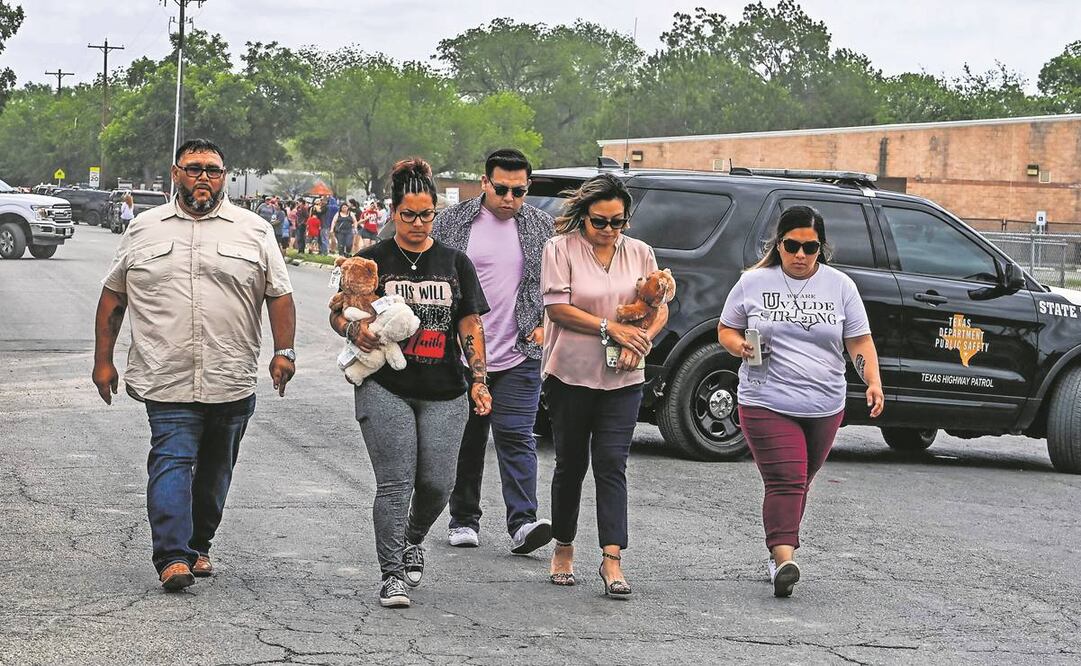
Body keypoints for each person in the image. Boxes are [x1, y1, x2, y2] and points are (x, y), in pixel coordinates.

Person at [92, 138, 296, 591]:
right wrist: (102, 361)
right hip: (165, 374)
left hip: (230, 375)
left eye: (213, 170)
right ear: (176, 173)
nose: (204, 177)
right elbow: (113, 297)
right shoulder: (143, 229)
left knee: (216, 471)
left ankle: (199, 544)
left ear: (225, 177)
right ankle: (172, 557)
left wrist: (285, 352)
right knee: (171, 459)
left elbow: (279, 295)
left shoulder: (254, 230)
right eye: (194, 168)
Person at [329, 157, 491, 609]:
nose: (418, 224)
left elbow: (470, 323)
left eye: (426, 215)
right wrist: (352, 328)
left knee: (438, 484)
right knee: (396, 484)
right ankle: (391, 575)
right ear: (393, 212)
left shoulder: (455, 262)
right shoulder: (371, 260)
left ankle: (412, 538)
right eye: (409, 215)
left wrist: (479, 378)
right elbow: (338, 311)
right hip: (385, 386)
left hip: (446, 390)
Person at [717, 205, 884, 598]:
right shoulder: (753, 282)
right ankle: (784, 560)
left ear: (821, 248)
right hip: (766, 399)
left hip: (825, 404)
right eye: (792, 245)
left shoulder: (840, 286)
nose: (801, 255)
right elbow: (726, 329)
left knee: (798, 482)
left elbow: (858, 340)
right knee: (787, 479)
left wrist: (873, 381)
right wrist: (739, 346)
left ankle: (778, 551)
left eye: (810, 248)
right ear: (779, 244)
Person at [541, 173, 667, 597]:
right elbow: (557, 309)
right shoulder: (560, 248)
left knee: (612, 463)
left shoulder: (641, 252)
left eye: (618, 221)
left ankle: (612, 558)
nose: (609, 229)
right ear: (584, 216)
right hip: (570, 374)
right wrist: (610, 328)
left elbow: (658, 306)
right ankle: (563, 546)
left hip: (624, 378)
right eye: (600, 221)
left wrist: (642, 337)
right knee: (571, 464)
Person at [433, 148, 555, 554]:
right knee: (467, 439)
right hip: (463, 353)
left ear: (528, 188)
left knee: (516, 437)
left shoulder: (541, 226)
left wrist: (544, 325)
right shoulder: (453, 221)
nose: (509, 198)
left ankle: (523, 523)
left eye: (518, 191)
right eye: (501, 189)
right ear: (484, 182)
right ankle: (463, 519)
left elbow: (556, 283)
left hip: (519, 352)